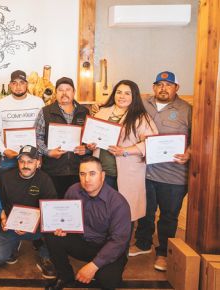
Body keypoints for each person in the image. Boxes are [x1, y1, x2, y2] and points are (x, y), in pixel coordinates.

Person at [132, 71, 192, 271]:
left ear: (176, 88)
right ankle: (143, 243)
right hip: (144, 171)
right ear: (154, 87)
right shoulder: (143, 104)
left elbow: (197, 138)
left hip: (173, 175)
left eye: (168, 84)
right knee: (145, 212)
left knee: (168, 216)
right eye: (159, 84)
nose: (163, 88)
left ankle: (164, 252)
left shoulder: (187, 110)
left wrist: (189, 153)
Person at [44, 157, 131, 290]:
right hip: (83, 241)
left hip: (107, 247)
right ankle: (65, 276)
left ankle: (98, 272)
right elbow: (68, 219)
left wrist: (93, 266)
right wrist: (63, 228)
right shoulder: (73, 191)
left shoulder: (118, 203)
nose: (87, 179)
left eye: (92, 174)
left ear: (102, 176)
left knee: (108, 282)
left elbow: (119, 241)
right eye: (82, 174)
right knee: (52, 235)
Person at [87, 80, 158, 224]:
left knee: (124, 212)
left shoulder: (141, 117)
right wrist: (91, 144)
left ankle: (122, 244)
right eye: (119, 92)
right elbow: (93, 138)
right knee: (102, 210)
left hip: (127, 173)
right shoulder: (102, 112)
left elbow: (152, 143)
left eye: (127, 93)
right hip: (103, 172)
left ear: (134, 96)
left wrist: (125, 151)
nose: (122, 96)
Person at [0, 145, 56, 278]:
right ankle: (16, 242)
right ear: (18, 162)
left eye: (30, 161)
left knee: (53, 226)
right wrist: (3, 219)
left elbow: (50, 209)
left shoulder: (45, 180)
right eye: (22, 161)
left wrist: (30, 225)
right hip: (11, 224)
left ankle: (44, 252)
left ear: (38, 163)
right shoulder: (6, 178)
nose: (25, 165)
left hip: (37, 226)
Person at [35, 77, 90, 198]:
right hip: (53, 170)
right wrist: (48, 152)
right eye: (60, 90)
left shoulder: (84, 112)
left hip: (78, 170)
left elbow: (91, 140)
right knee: (53, 205)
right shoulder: (45, 112)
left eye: (68, 89)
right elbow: (37, 138)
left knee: (76, 205)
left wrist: (86, 149)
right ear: (56, 93)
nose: (64, 93)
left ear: (74, 92)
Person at [0, 70, 44, 174]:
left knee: (31, 189)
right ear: (10, 85)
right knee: (6, 188)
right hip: (8, 158)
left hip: (31, 157)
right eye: (14, 83)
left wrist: (39, 154)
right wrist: (3, 150)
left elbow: (42, 131)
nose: (18, 87)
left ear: (27, 84)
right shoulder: (1, 104)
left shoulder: (38, 103)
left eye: (22, 83)